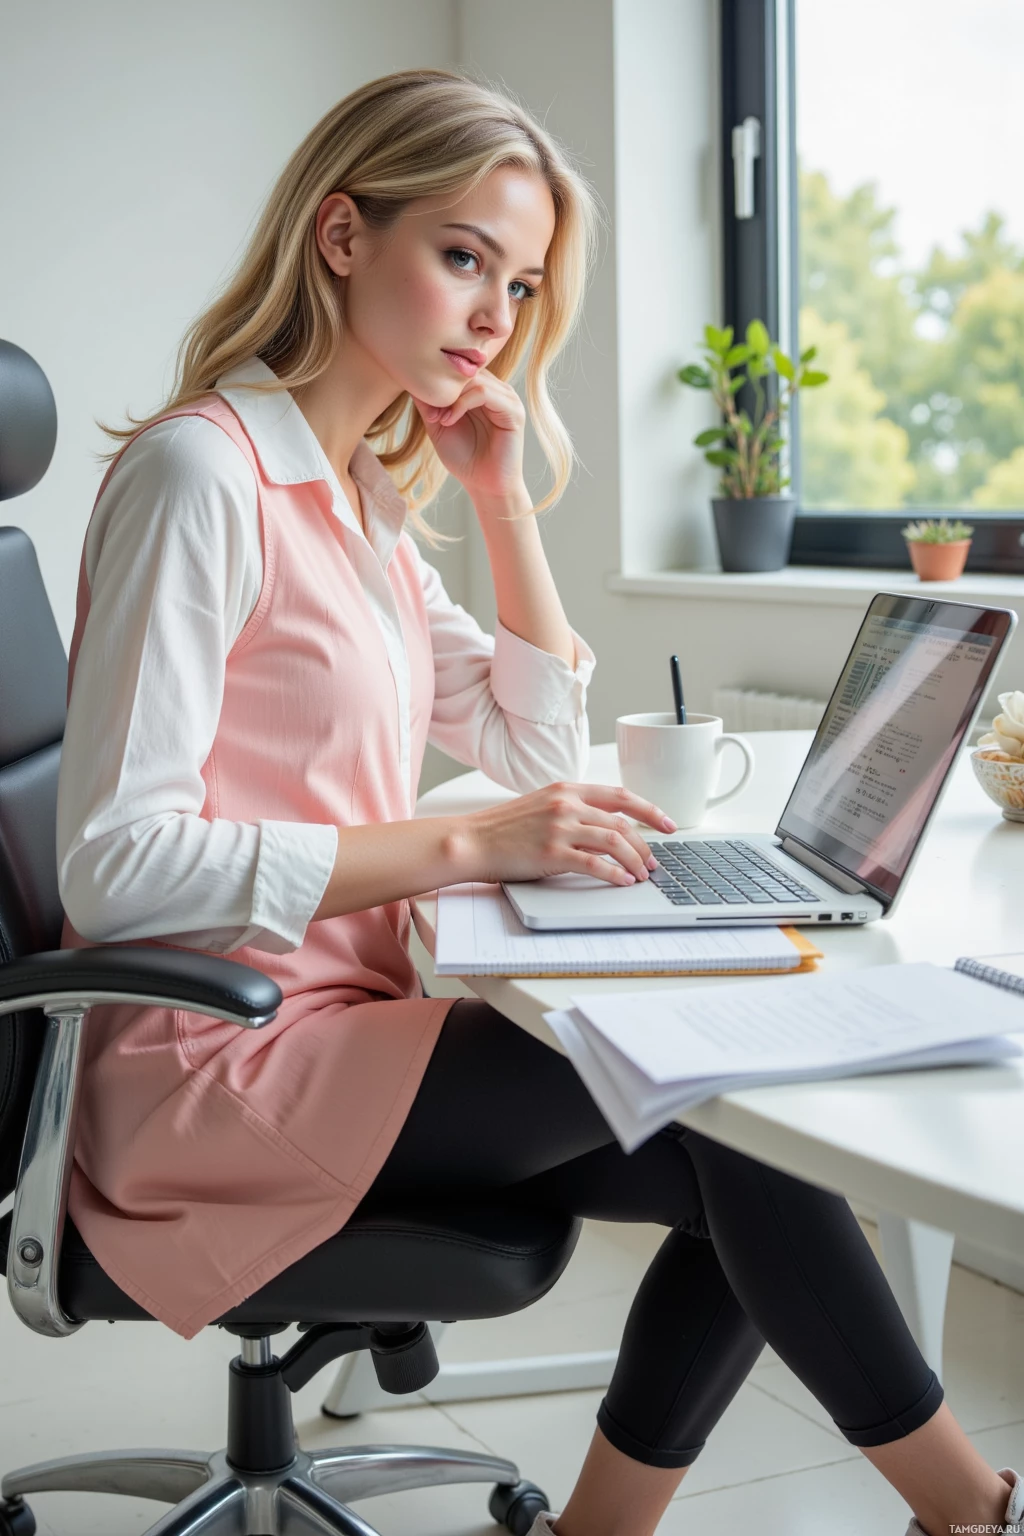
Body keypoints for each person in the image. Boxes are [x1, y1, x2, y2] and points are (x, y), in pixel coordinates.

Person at [55, 67, 1020, 1536]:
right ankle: (971, 1511)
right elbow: (116, 868)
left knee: (736, 1143)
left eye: (519, 281)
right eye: (462, 257)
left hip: (336, 1020)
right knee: (731, 1111)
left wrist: (501, 501)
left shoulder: (360, 499)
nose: (497, 312)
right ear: (338, 236)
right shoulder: (207, 477)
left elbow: (529, 737)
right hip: (217, 1065)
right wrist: (466, 845)